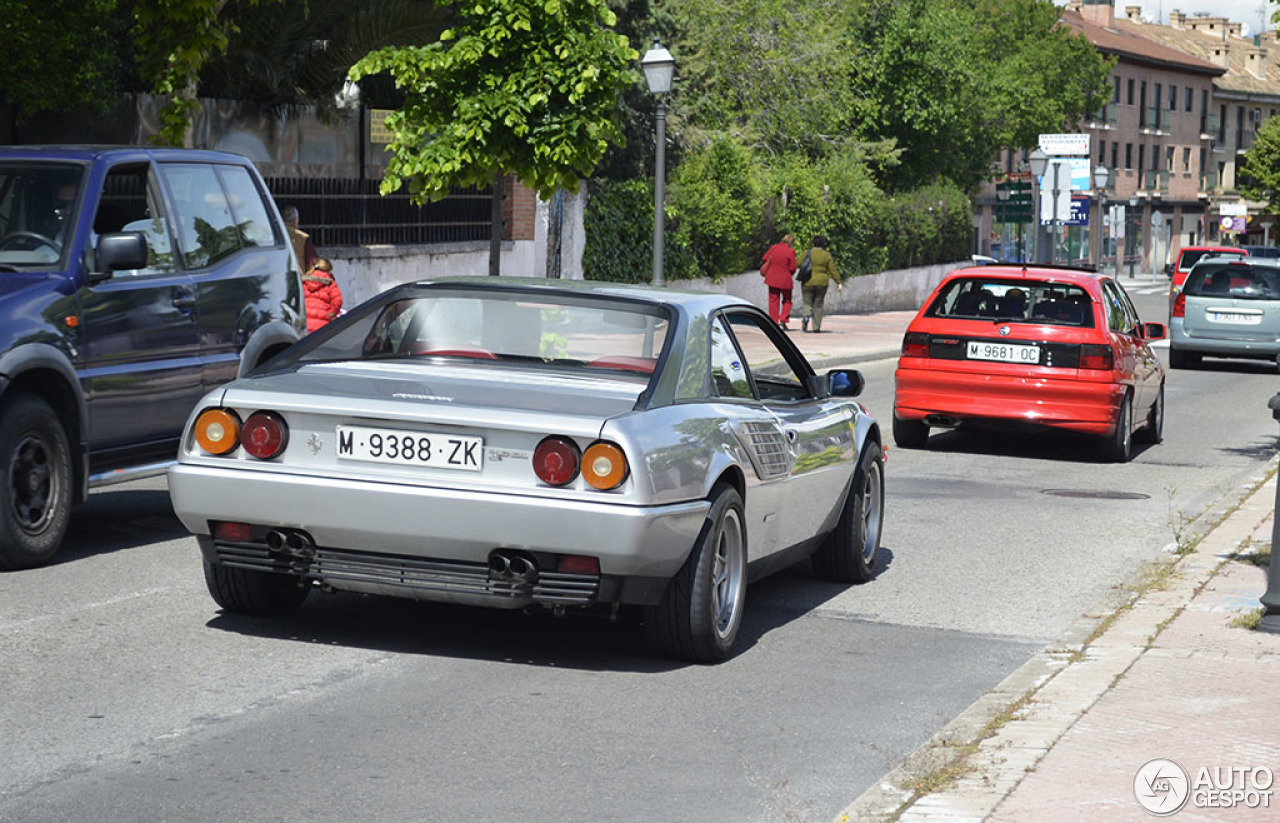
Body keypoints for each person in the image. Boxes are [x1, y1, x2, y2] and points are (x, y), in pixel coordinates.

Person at [800, 235, 843, 333]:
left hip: (808, 281)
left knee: (807, 302)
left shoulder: (807, 253)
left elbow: (798, 263)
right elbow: (833, 270)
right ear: (823, 244)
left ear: (813, 243)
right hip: (822, 282)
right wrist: (838, 282)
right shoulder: (826, 255)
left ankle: (806, 316)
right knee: (818, 304)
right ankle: (816, 327)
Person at [760, 233, 797, 330]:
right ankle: (783, 318)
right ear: (791, 242)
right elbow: (793, 268)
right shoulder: (791, 252)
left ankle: (774, 321)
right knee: (787, 300)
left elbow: (764, 258)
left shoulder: (774, 248)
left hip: (772, 278)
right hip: (785, 280)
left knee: (773, 301)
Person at [303, 257, 343, 332]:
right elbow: (338, 301)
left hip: (305, 322)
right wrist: (330, 314)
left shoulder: (305, 281)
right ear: (328, 270)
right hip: (322, 324)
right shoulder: (330, 283)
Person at [281, 205, 319, 273]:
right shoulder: (303, 238)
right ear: (296, 220)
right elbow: (312, 263)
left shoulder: (273, 235)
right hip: (299, 278)